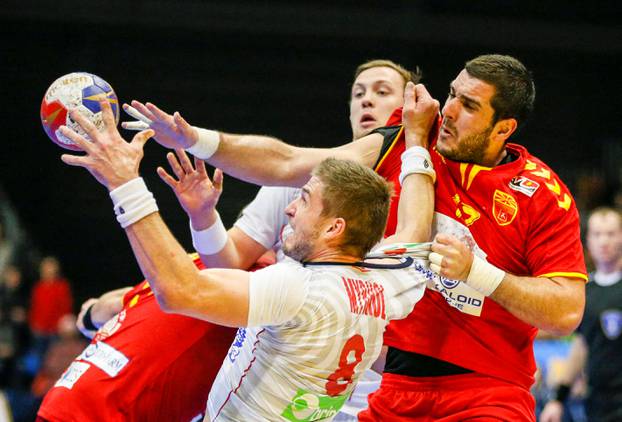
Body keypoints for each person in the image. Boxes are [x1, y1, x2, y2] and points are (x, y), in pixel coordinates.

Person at [125, 53, 587, 420]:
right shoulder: (399, 146)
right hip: (389, 385)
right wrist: (196, 140)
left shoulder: (542, 194)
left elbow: (565, 311)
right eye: (450, 95)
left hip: (486, 390)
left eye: (468, 106)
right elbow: (286, 163)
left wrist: (479, 274)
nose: (447, 112)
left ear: (503, 127)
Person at [38, 58, 419, 422]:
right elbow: (413, 235)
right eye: (358, 92)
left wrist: (124, 182)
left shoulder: (293, 285)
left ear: (334, 226)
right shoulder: (385, 283)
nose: (289, 208)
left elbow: (179, 288)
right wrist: (417, 142)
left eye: (301, 200)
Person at [540, 207, 622, 422]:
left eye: (611, 234)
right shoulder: (585, 290)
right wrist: (558, 398)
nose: (604, 241)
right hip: (597, 401)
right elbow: (582, 344)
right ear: (588, 240)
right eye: (597, 234)